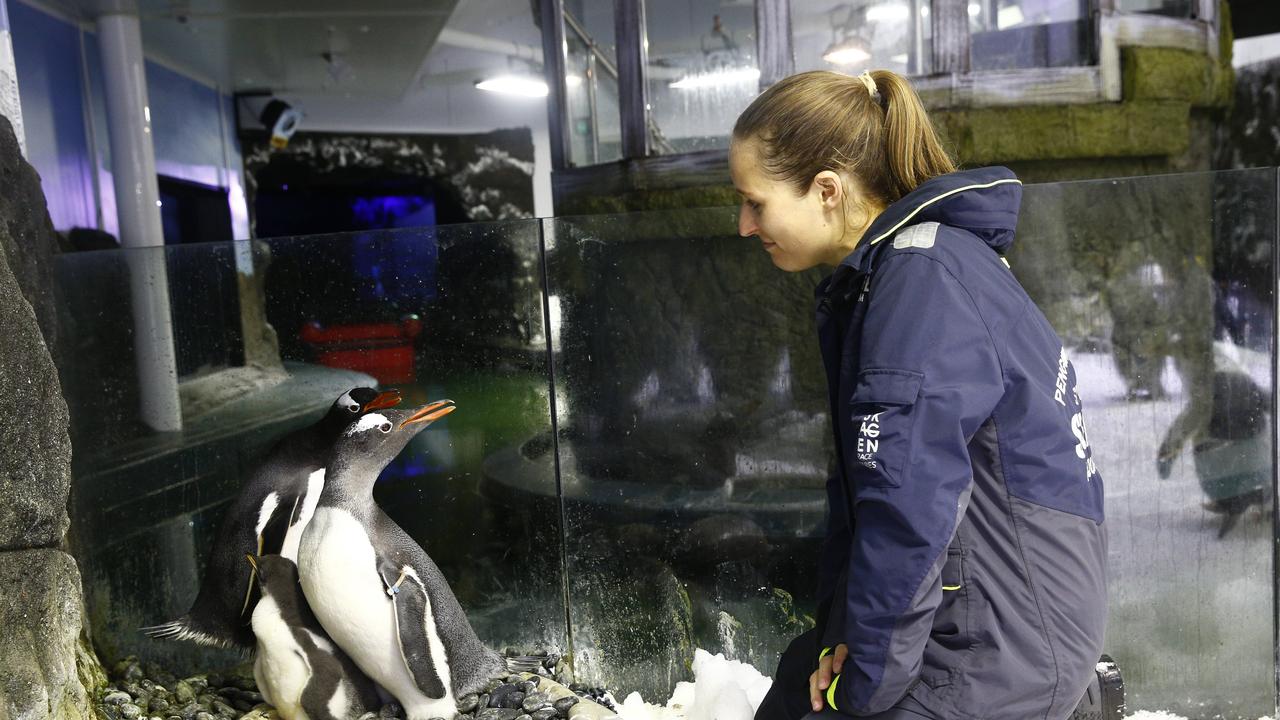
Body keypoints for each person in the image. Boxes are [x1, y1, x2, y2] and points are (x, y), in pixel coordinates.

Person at [730, 70, 1107, 720]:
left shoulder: (919, 284)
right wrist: (840, 642)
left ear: (827, 191)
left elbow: (908, 513)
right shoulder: (914, 265)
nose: (742, 224)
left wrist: (860, 686)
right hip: (1006, 609)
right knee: (800, 677)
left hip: (1004, 645)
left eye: (755, 203)